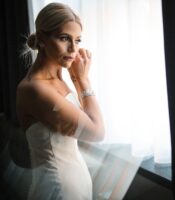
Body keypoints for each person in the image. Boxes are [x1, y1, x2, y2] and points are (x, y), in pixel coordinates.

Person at [16, 2, 105, 199]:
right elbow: (97, 132)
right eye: (64, 38)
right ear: (41, 39)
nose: (73, 49)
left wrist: (75, 78)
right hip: (57, 189)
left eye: (78, 40)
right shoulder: (35, 90)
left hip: (76, 182)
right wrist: (82, 80)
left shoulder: (57, 79)